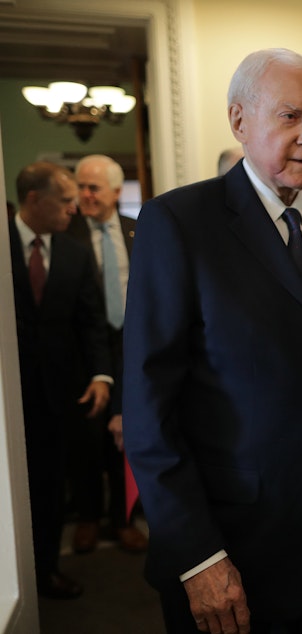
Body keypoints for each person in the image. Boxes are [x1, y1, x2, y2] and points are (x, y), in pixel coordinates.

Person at [123, 48, 302, 633]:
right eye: (290, 116)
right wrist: (198, 557)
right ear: (239, 121)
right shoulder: (178, 224)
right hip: (233, 553)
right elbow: (149, 410)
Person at [9, 162, 112, 599]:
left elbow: (91, 321)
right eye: (66, 200)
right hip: (6, 396)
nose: (75, 208)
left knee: (49, 487)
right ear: (35, 200)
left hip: (56, 394)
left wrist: (101, 374)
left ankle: (46, 570)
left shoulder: (73, 252)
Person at [65, 154, 147, 554]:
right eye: (80, 186)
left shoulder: (139, 230)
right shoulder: (68, 233)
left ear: (116, 191)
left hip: (131, 348)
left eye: (93, 187)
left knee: (127, 434)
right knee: (87, 439)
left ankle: (123, 518)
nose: (84, 195)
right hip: (85, 352)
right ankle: (87, 517)